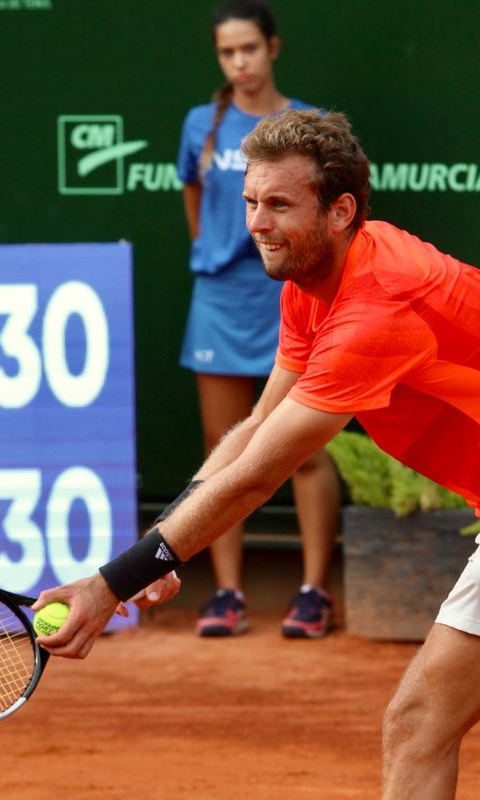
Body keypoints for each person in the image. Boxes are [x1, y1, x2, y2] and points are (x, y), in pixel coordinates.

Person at [35, 109, 480, 798]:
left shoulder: (376, 311)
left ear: (339, 210)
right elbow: (258, 427)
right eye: (252, 202)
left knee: (417, 727)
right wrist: (157, 550)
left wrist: (111, 581)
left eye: (280, 205)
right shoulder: (317, 280)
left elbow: (258, 478)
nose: (257, 223)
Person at [176, 0, 340, 638]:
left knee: (301, 451)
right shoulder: (200, 124)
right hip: (218, 301)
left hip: (289, 296)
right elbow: (194, 198)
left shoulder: (309, 127)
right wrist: (209, 253)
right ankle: (227, 593)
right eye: (226, 52)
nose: (238, 61)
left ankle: (313, 591)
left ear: (273, 48)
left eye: (248, 48)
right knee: (228, 449)